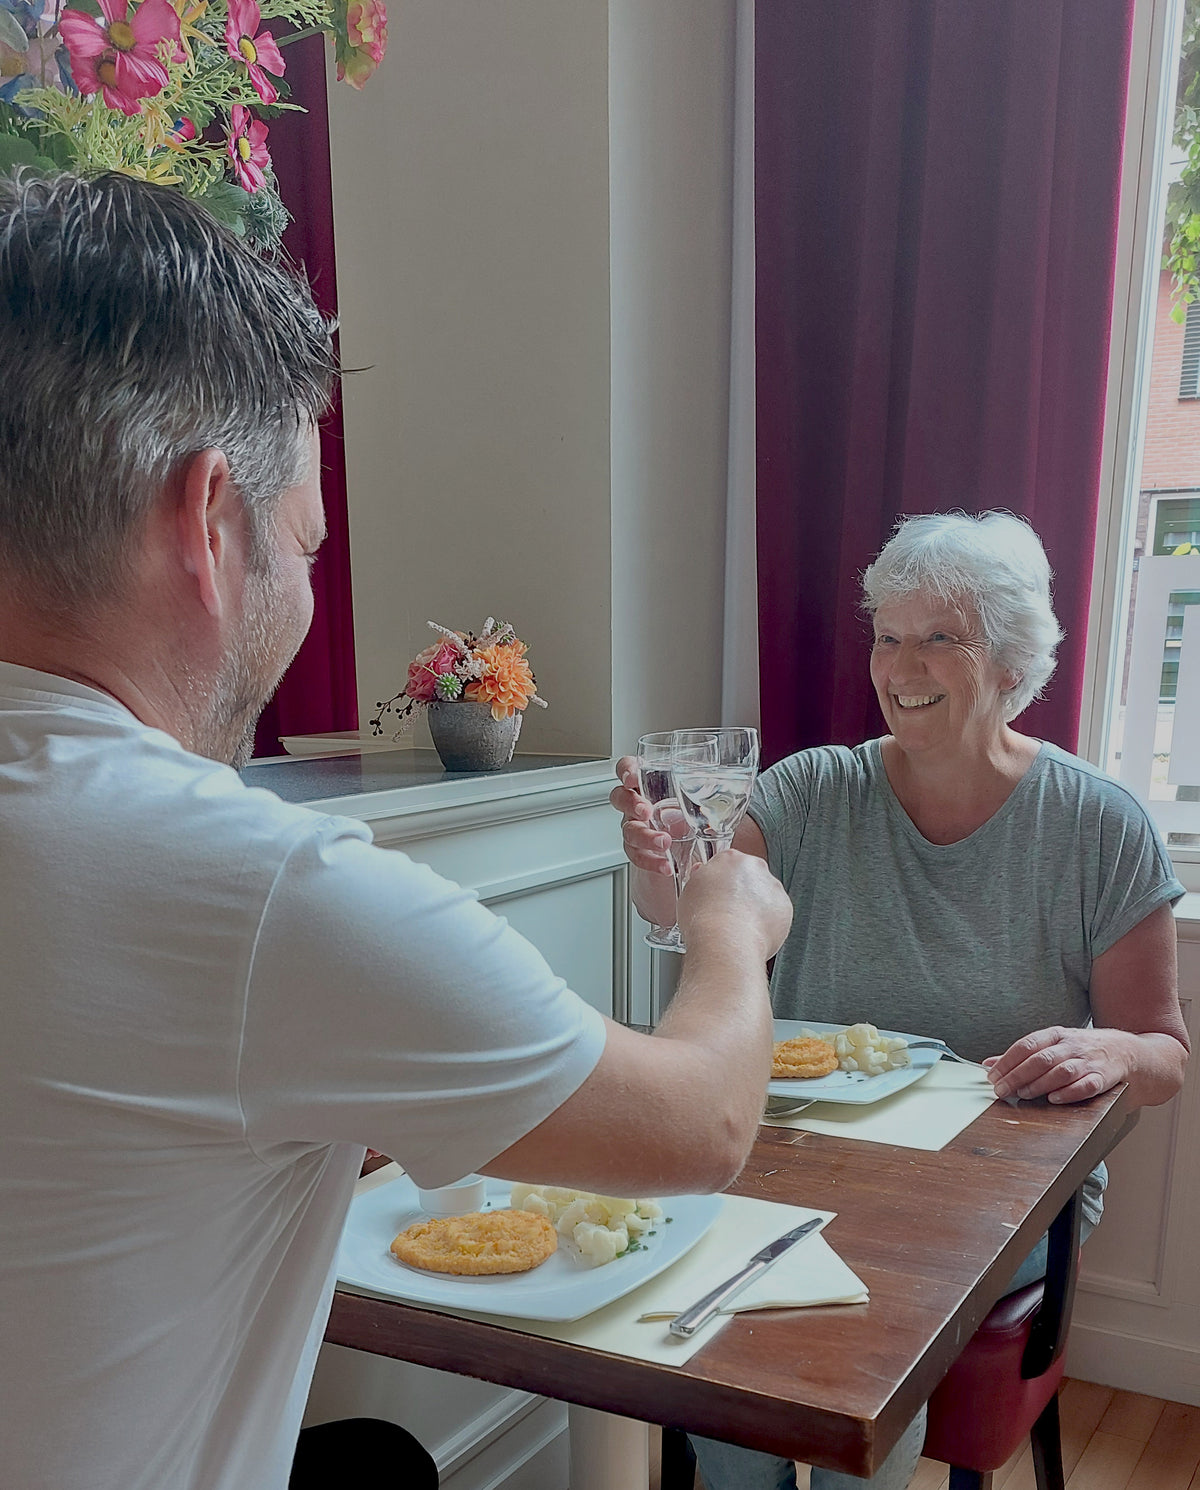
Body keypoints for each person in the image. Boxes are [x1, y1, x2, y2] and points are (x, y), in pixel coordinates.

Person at [0, 171, 795, 1490]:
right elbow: (699, 1123)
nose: (305, 593)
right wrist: (730, 924)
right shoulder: (264, 890)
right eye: (305, 547)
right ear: (207, 523)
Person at [612, 511, 1190, 1490]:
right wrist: (661, 872)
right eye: (886, 633)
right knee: (712, 1303)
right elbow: (708, 911)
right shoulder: (807, 793)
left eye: (937, 636)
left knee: (858, 1309)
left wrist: (1114, 1054)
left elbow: (1164, 1052)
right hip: (800, 1161)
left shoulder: (1100, 824)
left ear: (1011, 661)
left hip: (991, 1194)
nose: (897, 663)